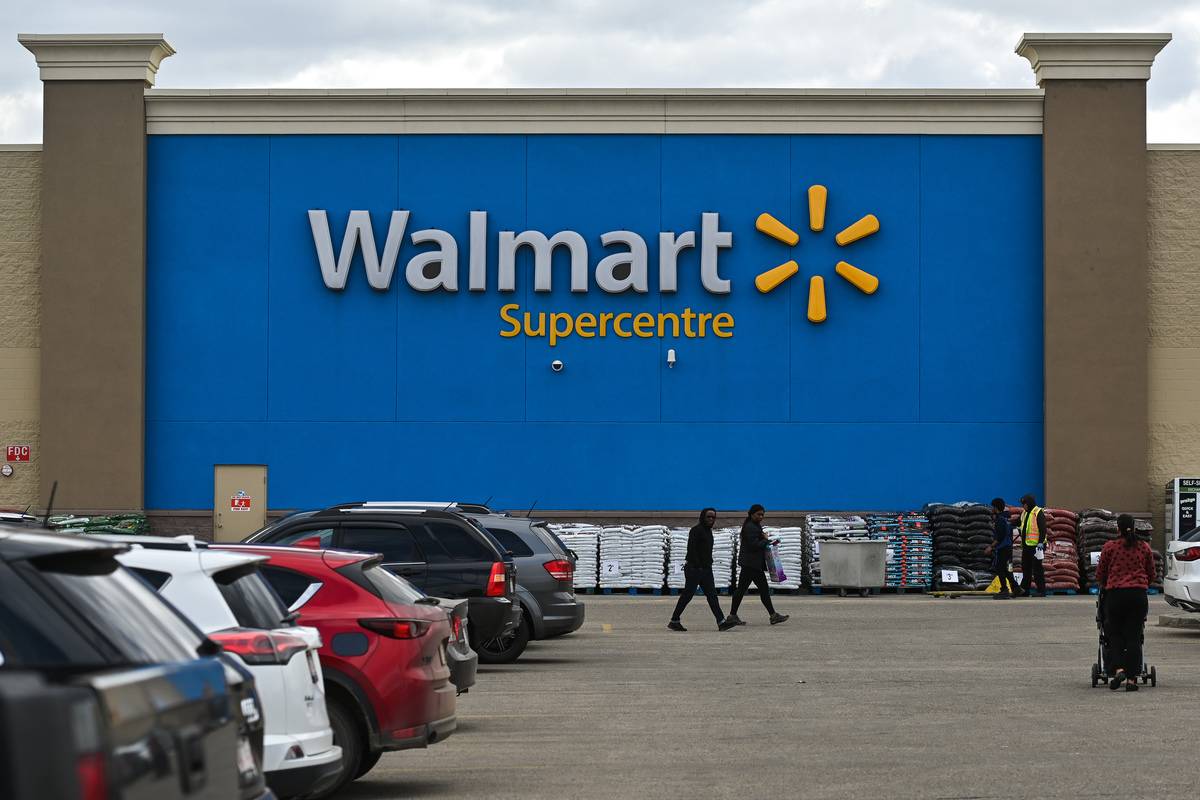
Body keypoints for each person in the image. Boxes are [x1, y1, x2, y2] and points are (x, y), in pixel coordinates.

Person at [1095, 514, 1156, 691]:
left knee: (1113, 634)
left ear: (1117, 529)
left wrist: (1107, 583)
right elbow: (1151, 573)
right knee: (1134, 637)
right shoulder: (1144, 548)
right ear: (1134, 528)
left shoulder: (1109, 547)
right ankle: (1131, 680)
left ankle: (1119, 668)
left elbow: (1100, 574)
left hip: (1116, 596)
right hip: (1138, 596)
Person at [668, 508, 738, 632]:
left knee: (712, 596)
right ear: (702, 517)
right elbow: (692, 550)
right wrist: (698, 566)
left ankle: (721, 622)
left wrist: (707, 564)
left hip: (706, 569)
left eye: (713, 517)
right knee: (687, 596)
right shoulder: (696, 530)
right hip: (695, 569)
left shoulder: (708, 532)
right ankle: (674, 620)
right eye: (708, 517)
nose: (711, 519)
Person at [727, 504, 789, 626]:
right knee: (754, 590)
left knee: (751, 590)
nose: (761, 517)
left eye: (762, 515)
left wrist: (767, 540)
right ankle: (772, 616)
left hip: (752, 564)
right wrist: (765, 539)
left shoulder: (754, 526)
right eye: (758, 514)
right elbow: (754, 545)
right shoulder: (751, 527)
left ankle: (734, 615)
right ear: (751, 514)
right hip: (751, 564)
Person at [984, 497, 1022, 598]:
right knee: (1006, 570)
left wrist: (990, 547)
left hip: (1002, 548)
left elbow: (999, 537)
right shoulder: (1007, 519)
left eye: (993, 507)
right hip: (1008, 548)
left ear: (996, 507)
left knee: (999, 568)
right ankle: (1016, 588)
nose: (992, 509)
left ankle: (1004, 590)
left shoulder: (1000, 520)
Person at [1017, 494, 1048, 597]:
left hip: (1037, 547)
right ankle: (1025, 590)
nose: (1023, 506)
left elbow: (1043, 529)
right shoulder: (1024, 513)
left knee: (1037, 568)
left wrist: (1040, 542)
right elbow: (1018, 522)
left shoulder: (1038, 512)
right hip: (1026, 545)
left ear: (1029, 504)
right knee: (1026, 568)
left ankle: (1041, 591)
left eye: (1024, 504)